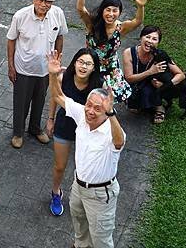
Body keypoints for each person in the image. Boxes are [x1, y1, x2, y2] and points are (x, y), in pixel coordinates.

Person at [48, 50, 126, 248]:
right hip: (78, 186)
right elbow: (58, 96)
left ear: (106, 112)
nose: (90, 111)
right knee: (80, 227)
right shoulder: (82, 115)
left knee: (101, 240)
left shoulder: (111, 131)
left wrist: (111, 114)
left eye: (97, 109)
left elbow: (119, 142)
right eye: (88, 105)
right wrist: (52, 74)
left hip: (101, 194)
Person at [7, 0, 68, 148]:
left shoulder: (58, 14)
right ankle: (18, 132)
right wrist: (11, 66)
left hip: (45, 69)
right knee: (21, 102)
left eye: (47, 1)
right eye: (40, 0)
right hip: (23, 67)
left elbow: (60, 36)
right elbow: (11, 40)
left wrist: (57, 60)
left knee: (40, 99)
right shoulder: (20, 16)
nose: (43, 4)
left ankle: (35, 128)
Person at [76, 0, 152, 102]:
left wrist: (140, 6)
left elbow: (137, 21)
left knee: (106, 100)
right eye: (108, 10)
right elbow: (81, 10)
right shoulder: (92, 24)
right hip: (90, 64)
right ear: (102, 11)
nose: (111, 14)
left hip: (110, 69)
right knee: (85, 96)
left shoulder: (121, 28)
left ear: (119, 12)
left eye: (115, 11)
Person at [46, 48, 102, 216]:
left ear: (94, 67)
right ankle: (56, 193)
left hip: (87, 130)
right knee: (60, 166)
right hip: (65, 125)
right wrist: (50, 119)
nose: (83, 67)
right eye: (81, 61)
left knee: (85, 167)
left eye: (88, 64)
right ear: (75, 62)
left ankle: (83, 197)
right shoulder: (64, 78)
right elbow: (55, 96)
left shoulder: (99, 85)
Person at [123, 25, 186, 123]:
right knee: (133, 108)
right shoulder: (129, 53)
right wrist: (150, 72)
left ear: (158, 43)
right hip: (135, 83)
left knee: (148, 91)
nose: (150, 41)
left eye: (154, 39)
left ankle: (159, 108)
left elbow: (181, 74)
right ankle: (141, 102)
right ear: (141, 37)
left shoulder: (160, 55)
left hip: (151, 86)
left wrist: (166, 85)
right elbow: (129, 78)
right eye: (147, 37)